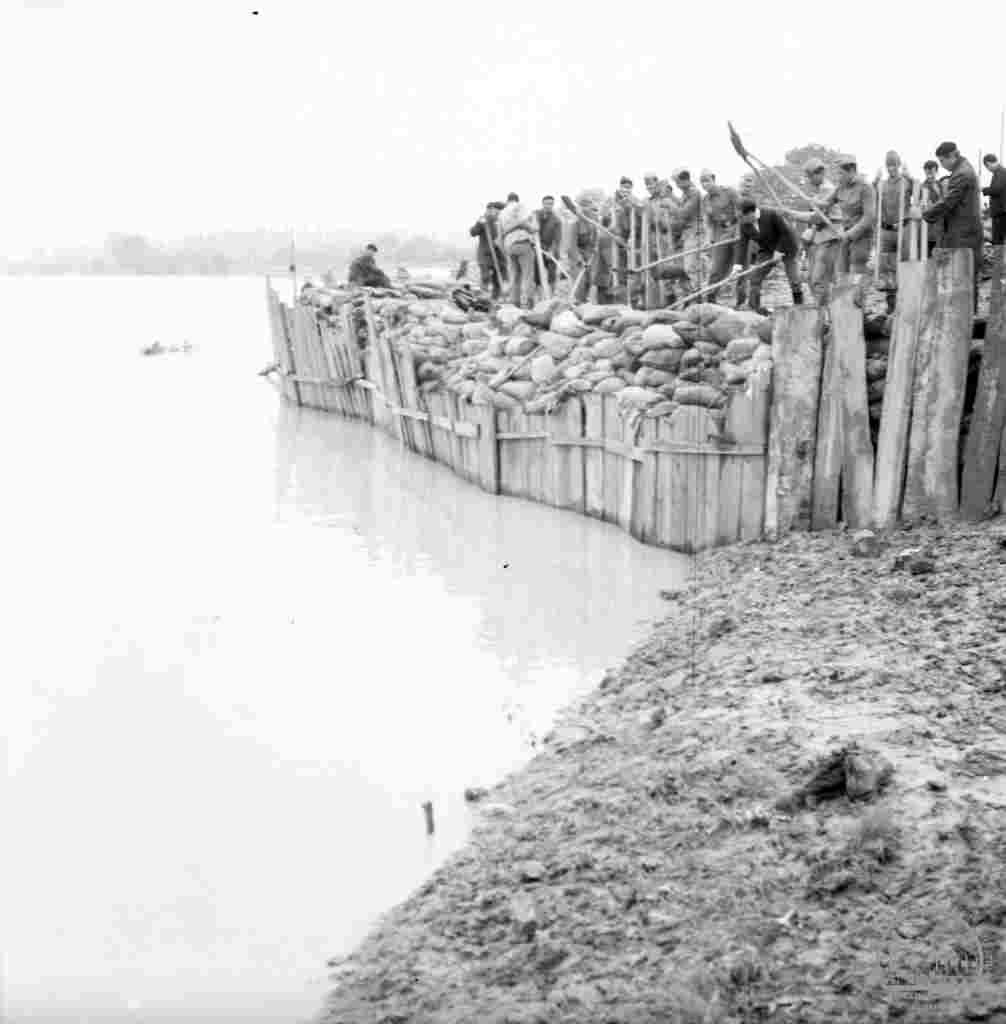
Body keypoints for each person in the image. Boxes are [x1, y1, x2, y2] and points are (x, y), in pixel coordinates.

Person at [918, 142, 983, 307]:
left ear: (951, 157)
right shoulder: (963, 169)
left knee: (964, 277)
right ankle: (969, 317)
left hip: (964, 235)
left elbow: (948, 202)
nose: (942, 166)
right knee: (966, 277)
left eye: (941, 162)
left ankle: (967, 319)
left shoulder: (962, 174)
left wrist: (923, 214)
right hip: (965, 233)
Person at [811, 156, 876, 300]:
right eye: (836, 173)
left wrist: (851, 234)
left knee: (856, 277)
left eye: (840, 173)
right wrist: (815, 202)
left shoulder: (866, 188)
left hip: (862, 236)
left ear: (852, 171)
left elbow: (869, 217)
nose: (837, 177)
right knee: (841, 276)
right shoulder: (840, 187)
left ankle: (859, 315)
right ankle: (844, 313)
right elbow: (826, 204)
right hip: (844, 235)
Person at [784, 157, 840, 308]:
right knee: (810, 278)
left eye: (810, 176)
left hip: (830, 237)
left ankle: (823, 312)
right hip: (820, 238)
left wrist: (792, 214)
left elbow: (817, 218)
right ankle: (821, 309)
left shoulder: (828, 190)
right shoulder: (820, 192)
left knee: (818, 279)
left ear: (820, 173)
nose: (809, 180)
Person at [731, 198, 803, 314]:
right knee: (755, 278)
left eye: (741, 216)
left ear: (751, 213)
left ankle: (799, 307)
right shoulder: (744, 224)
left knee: (794, 279)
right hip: (767, 250)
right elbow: (742, 244)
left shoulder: (771, 214)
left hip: (787, 246)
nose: (739, 219)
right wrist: (737, 265)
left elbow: (786, 233)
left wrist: (779, 251)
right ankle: (754, 309)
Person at [876, 151, 915, 313]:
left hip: (903, 228)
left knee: (904, 264)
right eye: (889, 165)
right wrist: (874, 180)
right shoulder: (881, 184)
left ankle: (906, 302)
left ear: (899, 165)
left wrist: (910, 176)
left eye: (894, 165)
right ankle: (891, 304)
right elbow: (872, 197)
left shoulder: (906, 182)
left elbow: (919, 191)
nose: (891, 168)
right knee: (887, 266)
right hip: (886, 229)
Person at [699, 169, 739, 302]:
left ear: (713, 179)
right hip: (720, 233)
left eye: (707, 181)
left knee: (739, 266)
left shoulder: (729, 192)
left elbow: (741, 211)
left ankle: (742, 301)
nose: (705, 184)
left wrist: (740, 232)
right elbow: (708, 222)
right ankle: (711, 298)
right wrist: (708, 239)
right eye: (702, 182)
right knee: (717, 267)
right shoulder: (705, 200)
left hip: (736, 230)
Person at [498, 192, 538, 308]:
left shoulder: (502, 213)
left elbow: (500, 234)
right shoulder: (519, 206)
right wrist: (532, 229)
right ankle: (530, 303)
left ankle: (515, 303)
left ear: (507, 200)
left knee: (515, 276)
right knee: (528, 275)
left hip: (509, 246)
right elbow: (522, 222)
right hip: (522, 242)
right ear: (517, 199)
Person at [671, 168, 703, 299]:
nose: (677, 186)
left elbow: (683, 213)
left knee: (691, 267)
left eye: (678, 182)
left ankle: (695, 298)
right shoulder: (685, 194)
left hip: (695, 233)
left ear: (686, 180)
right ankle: (688, 296)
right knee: (683, 268)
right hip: (685, 234)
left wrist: (669, 203)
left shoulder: (694, 193)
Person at [469, 202, 505, 299]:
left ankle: (494, 299)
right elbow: (473, 232)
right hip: (485, 254)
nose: (496, 212)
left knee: (498, 280)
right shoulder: (484, 220)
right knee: (485, 277)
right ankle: (482, 298)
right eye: (493, 210)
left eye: (498, 210)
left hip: (499, 255)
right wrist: (479, 223)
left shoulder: (501, 221)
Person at [568, 193, 598, 303]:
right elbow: (571, 245)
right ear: (580, 208)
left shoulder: (593, 221)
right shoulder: (575, 224)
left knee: (590, 279)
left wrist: (594, 249)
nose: (587, 209)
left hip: (589, 253)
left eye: (589, 206)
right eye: (584, 206)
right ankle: (577, 301)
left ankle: (585, 301)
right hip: (577, 254)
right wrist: (579, 259)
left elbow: (595, 238)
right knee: (580, 280)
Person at [534, 195, 563, 291]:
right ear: (542, 204)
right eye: (546, 203)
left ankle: (552, 294)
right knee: (537, 274)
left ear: (553, 205)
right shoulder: (536, 215)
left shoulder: (557, 220)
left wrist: (551, 251)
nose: (548, 206)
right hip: (537, 249)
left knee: (552, 274)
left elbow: (557, 239)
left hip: (551, 250)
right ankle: (539, 296)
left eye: (550, 204)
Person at [920, 161, 945, 256]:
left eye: (932, 171)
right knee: (927, 252)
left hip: (939, 225)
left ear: (936, 171)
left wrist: (937, 191)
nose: (929, 174)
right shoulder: (921, 186)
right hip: (926, 226)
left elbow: (945, 201)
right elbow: (919, 204)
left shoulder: (940, 185)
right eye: (927, 172)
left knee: (939, 252)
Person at [983, 153, 1006, 245]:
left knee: (997, 240)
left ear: (988, 163)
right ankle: (999, 257)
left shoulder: (1000, 172)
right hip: (1001, 212)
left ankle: (998, 259)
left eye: (987, 167)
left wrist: (983, 189)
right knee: (999, 239)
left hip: (1000, 212)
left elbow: (997, 189)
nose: (988, 170)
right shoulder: (1000, 172)